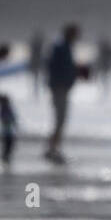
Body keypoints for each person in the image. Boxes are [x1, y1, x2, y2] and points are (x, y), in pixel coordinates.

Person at [45, 23, 90, 164]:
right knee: (60, 119)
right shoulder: (61, 48)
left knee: (60, 119)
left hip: (61, 87)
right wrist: (75, 71)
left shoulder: (63, 48)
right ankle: (52, 149)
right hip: (60, 87)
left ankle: (53, 148)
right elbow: (58, 68)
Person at [28, 30, 44, 99]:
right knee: (36, 78)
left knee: (36, 78)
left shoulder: (35, 45)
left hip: (36, 63)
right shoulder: (37, 45)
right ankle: (36, 91)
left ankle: (37, 91)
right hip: (37, 63)